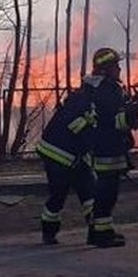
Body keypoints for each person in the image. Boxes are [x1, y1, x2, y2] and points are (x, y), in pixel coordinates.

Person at [83, 47, 138, 248]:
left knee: (104, 192)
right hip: (108, 148)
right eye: (116, 66)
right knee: (107, 193)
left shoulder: (99, 87)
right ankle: (102, 236)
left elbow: (118, 114)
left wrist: (135, 114)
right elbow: (115, 120)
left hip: (102, 146)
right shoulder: (107, 89)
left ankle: (99, 232)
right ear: (107, 69)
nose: (119, 69)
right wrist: (137, 108)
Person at [35, 84, 98, 245]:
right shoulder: (84, 105)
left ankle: (50, 234)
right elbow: (79, 130)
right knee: (69, 195)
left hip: (62, 154)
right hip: (62, 156)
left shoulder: (78, 102)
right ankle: (51, 233)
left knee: (80, 195)